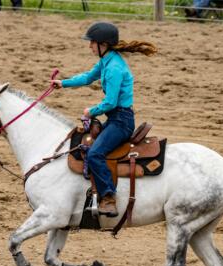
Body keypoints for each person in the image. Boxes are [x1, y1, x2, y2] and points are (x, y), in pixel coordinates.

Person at [51, 22, 157, 217]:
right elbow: (87, 77)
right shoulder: (107, 61)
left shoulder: (114, 68)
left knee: (95, 154)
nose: (90, 46)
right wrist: (63, 83)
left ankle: (108, 197)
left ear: (103, 44)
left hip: (121, 121)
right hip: (116, 118)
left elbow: (110, 102)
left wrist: (91, 111)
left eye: (92, 42)